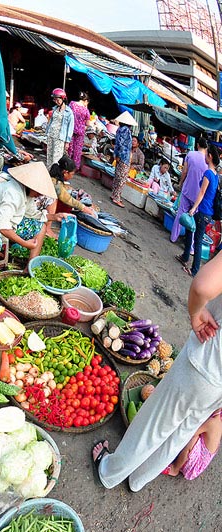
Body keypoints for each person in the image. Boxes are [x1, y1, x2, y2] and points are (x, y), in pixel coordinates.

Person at [91, 249, 222, 493]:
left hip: (204, 363)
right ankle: (139, 479)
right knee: (182, 430)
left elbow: (203, 286)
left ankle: (109, 472)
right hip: (218, 384)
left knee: (153, 424)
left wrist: (196, 313)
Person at [0, 161, 61, 297]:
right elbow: (2, 226)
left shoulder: (26, 194)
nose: (39, 195)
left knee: (40, 227)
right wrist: (24, 243)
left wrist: (55, 217)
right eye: (38, 192)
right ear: (30, 185)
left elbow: (33, 215)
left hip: (2, 222)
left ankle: (28, 269)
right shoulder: (13, 192)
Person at [178, 146, 219, 277]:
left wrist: (193, 208)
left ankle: (194, 269)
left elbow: (201, 193)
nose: (205, 157)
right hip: (208, 212)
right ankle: (185, 257)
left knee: (198, 239)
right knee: (191, 232)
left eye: (206, 155)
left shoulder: (208, 174)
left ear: (210, 156)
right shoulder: (215, 175)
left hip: (202, 211)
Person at [162, 409, 222, 479]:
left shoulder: (212, 422)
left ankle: (175, 468)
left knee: (193, 438)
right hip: (199, 461)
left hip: (195, 466)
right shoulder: (217, 420)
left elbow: (191, 433)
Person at [173, 137, 209, 244]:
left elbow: (184, 171)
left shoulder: (190, 154)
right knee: (193, 220)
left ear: (198, 144)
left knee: (180, 213)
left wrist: (180, 183)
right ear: (206, 148)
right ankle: (191, 247)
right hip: (198, 195)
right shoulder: (207, 161)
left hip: (187, 189)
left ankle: (174, 237)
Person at [110, 111, 137, 208]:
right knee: (122, 178)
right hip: (123, 156)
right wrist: (121, 155)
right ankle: (116, 197)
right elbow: (122, 144)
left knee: (118, 176)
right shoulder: (125, 130)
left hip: (120, 155)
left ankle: (114, 194)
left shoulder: (120, 129)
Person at [45, 88, 74, 168]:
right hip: (51, 135)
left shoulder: (69, 112)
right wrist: (46, 132)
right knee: (49, 156)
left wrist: (67, 141)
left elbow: (70, 127)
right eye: (54, 99)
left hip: (60, 137)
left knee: (56, 158)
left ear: (63, 98)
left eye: (57, 99)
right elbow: (51, 121)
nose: (56, 101)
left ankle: (55, 175)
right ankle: (49, 173)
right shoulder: (55, 109)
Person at [67, 92, 91, 165]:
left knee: (69, 148)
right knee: (77, 150)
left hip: (71, 130)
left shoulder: (72, 104)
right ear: (86, 101)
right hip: (80, 132)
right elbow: (88, 123)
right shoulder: (86, 110)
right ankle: (74, 167)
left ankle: (67, 164)